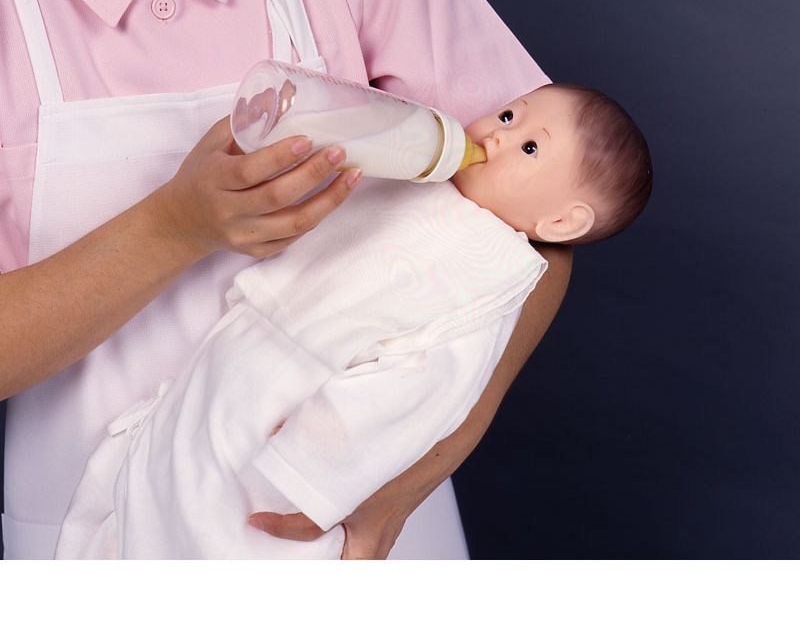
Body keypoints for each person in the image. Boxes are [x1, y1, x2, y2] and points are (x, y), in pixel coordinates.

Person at [0, 0, 573, 560]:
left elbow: (543, 217)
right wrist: (173, 229)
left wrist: (431, 455)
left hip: (360, 517)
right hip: (111, 531)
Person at [54, 82, 652, 559]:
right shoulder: (427, 172)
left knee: (227, 536)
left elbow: (423, 389)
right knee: (149, 498)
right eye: (508, 116)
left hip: (291, 410)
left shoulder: (490, 276)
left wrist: (312, 468)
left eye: (529, 148)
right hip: (235, 357)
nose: (497, 135)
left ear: (562, 223)